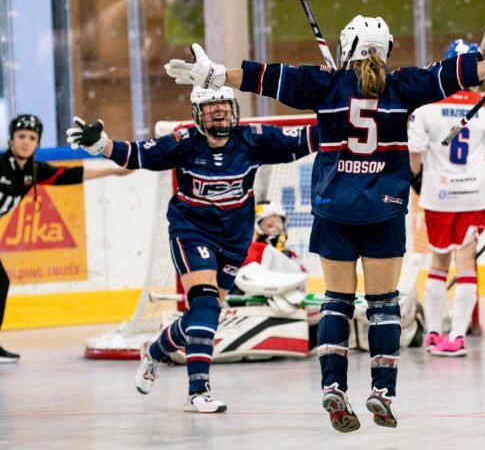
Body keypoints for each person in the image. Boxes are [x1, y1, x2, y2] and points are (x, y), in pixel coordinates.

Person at [164, 20, 485, 432]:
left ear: (347, 47)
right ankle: (382, 391)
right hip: (385, 209)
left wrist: (218, 75)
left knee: (337, 301)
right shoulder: (405, 85)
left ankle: (332, 384)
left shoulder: (324, 84)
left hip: (334, 209)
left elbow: (267, 77)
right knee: (382, 305)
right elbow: (453, 74)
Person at [66, 87, 316, 411]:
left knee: (202, 315)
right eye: (211, 107)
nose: (219, 112)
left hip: (235, 239)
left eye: (224, 105)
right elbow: (137, 154)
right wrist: (101, 144)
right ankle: (198, 391)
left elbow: (308, 138)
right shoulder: (182, 142)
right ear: (198, 114)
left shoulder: (253, 138)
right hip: (192, 232)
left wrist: (348, 113)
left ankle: (154, 351)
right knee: (206, 305)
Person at [0, 113, 120, 363]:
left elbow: (71, 174)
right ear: (11, 140)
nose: (25, 141)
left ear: (37, 143)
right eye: (21, 136)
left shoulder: (33, 171)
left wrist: (115, 171)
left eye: (32, 137)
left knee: (1, 283)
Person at [408, 38, 485, 357]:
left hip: (438, 195)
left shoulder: (425, 106)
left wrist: (419, 181)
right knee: (466, 262)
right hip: (472, 195)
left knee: (438, 261)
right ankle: (457, 336)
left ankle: (433, 333)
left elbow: (415, 155)